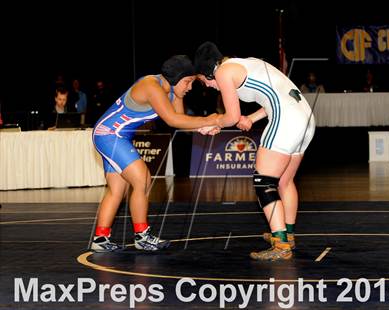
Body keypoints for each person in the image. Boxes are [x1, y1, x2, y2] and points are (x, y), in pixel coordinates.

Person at [194, 41, 316, 261]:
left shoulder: (222, 71)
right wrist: (251, 118)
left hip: (286, 119)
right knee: (284, 182)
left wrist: (215, 123)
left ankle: (281, 245)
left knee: (264, 181)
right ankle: (287, 234)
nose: (209, 87)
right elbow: (279, 95)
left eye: (204, 82)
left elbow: (230, 117)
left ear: (207, 71)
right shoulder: (248, 63)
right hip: (305, 116)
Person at [91, 55, 219, 252]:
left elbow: (181, 121)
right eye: (187, 82)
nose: (189, 88)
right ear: (176, 78)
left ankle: (100, 239)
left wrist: (202, 127)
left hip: (116, 135)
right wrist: (208, 120)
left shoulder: (174, 91)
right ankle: (142, 236)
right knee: (142, 179)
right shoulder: (151, 85)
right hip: (109, 134)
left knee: (117, 190)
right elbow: (173, 120)